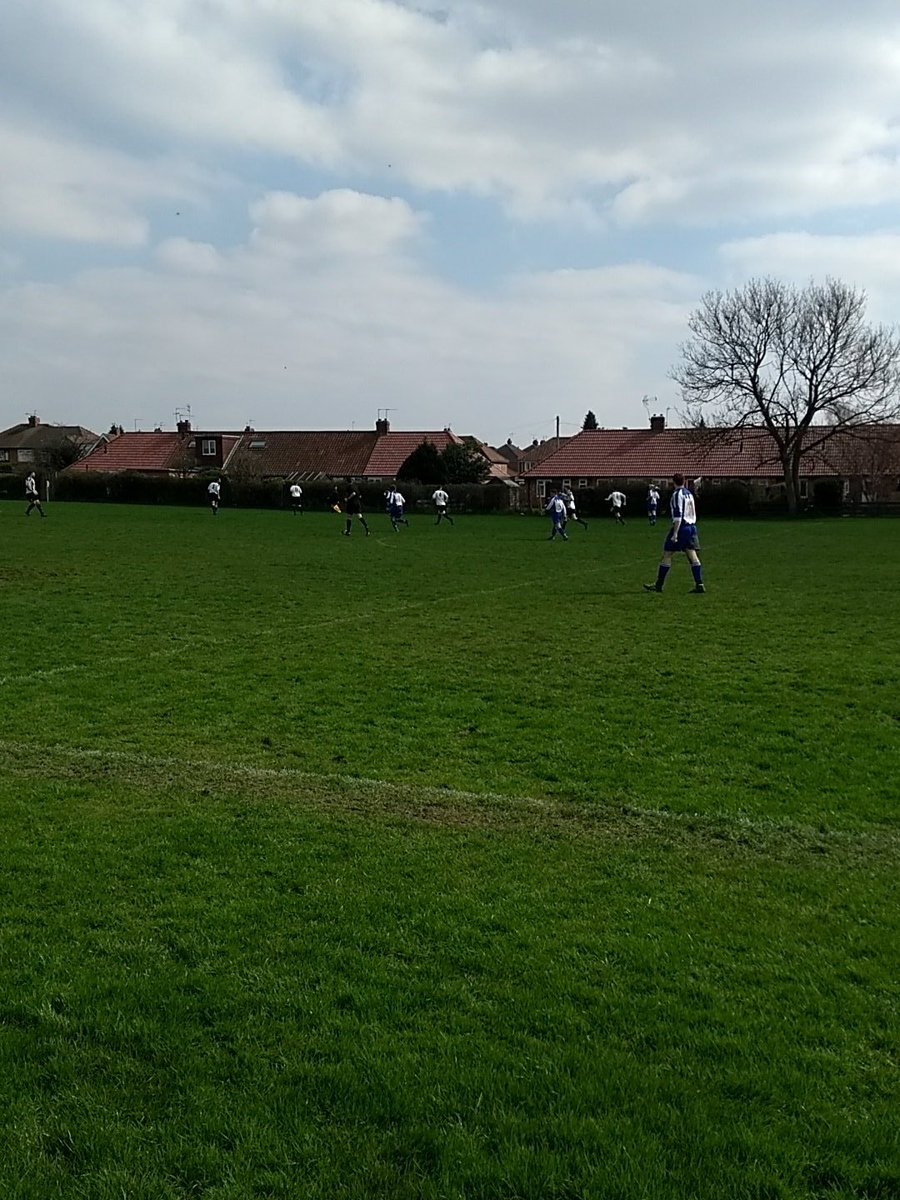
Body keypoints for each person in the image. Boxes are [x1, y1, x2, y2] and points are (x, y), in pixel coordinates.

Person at [644, 474, 706, 594]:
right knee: (692, 555)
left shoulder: (677, 495)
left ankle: (658, 585)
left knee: (667, 554)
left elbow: (678, 515)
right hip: (692, 526)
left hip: (682, 527)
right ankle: (699, 584)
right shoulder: (689, 494)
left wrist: (675, 533)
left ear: (673, 482)